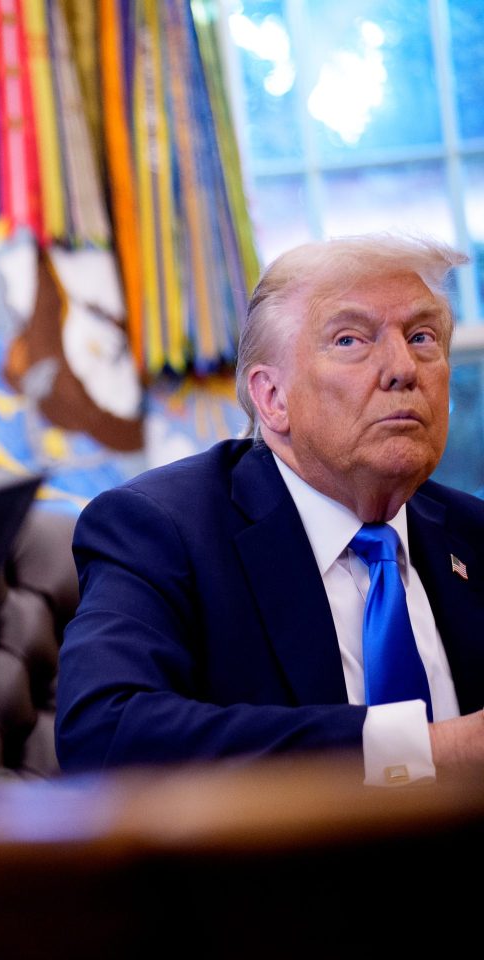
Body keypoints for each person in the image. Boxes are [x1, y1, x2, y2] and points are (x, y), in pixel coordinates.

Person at [56, 234, 484, 784]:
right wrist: (426, 749)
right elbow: (104, 732)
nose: (403, 367)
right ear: (273, 398)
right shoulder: (162, 530)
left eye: (421, 337)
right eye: (351, 340)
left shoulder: (472, 535)